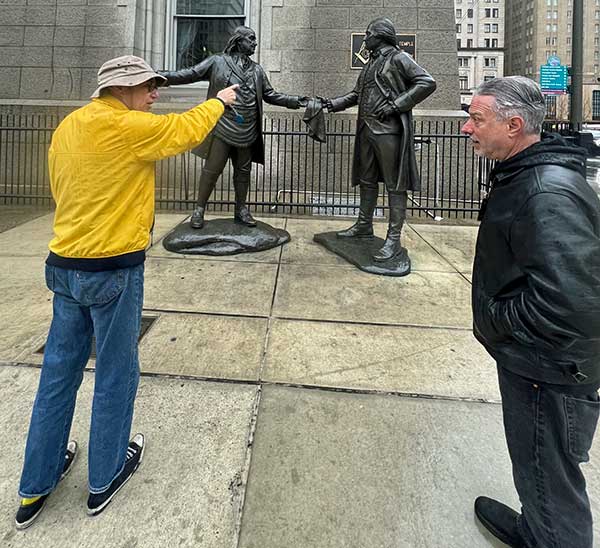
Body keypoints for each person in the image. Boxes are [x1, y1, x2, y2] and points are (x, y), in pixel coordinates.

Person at [15, 55, 237, 529]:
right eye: (147, 86)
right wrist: (220, 100)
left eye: (156, 84)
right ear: (122, 89)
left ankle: (36, 485)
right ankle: (105, 476)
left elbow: (62, 189)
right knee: (116, 372)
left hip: (65, 266)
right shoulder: (126, 126)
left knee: (58, 375)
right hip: (113, 269)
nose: (155, 93)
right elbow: (186, 131)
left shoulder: (69, 128)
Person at [462, 76, 600, 548]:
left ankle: (552, 537)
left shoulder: (546, 193)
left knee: (550, 473)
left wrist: (496, 319)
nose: (466, 128)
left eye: (477, 119)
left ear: (514, 125)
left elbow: (570, 305)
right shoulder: (523, 174)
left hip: (548, 370)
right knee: (536, 465)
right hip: (535, 363)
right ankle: (536, 529)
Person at [159, 25, 309, 229]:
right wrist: (162, 78)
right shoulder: (217, 62)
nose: (255, 43)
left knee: (243, 172)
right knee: (212, 170)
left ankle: (241, 209)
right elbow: (191, 74)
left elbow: (270, 95)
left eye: (255, 39)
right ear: (239, 41)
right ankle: (199, 209)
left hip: (247, 128)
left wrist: (295, 101)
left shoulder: (257, 70)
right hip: (223, 124)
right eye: (251, 39)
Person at [318, 17, 436, 262]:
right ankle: (364, 225)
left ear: (380, 36)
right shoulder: (370, 63)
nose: (365, 38)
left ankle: (393, 239)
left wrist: (396, 105)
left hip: (388, 132)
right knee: (367, 180)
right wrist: (332, 104)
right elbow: (356, 95)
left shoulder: (398, 58)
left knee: (395, 185)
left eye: (368, 34)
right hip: (367, 129)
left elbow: (427, 82)